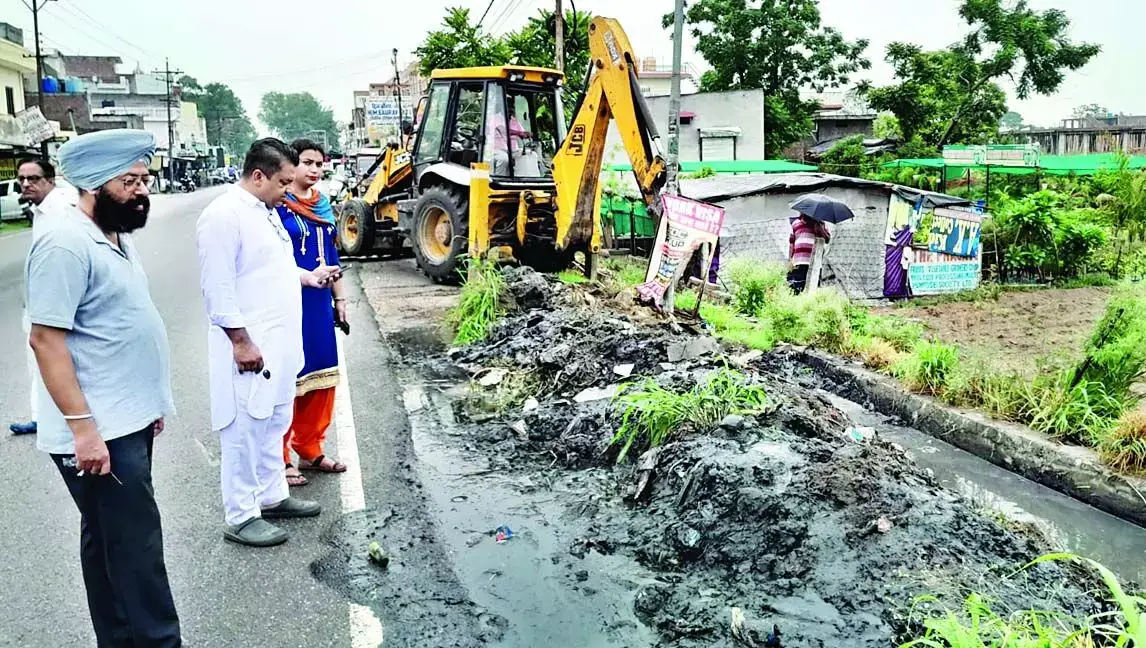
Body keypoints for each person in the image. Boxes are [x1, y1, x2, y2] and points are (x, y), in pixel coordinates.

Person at [27, 130, 181, 646]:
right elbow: (46, 340)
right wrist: (84, 430)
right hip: (98, 428)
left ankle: (119, 641)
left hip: (125, 418)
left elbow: (118, 327)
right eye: (129, 181)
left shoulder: (115, 233)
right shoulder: (65, 242)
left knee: (109, 540)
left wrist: (151, 403)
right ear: (93, 185)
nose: (142, 191)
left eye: (145, 179)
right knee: (135, 547)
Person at [196, 138, 340, 547]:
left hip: (280, 343)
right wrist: (240, 341)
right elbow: (217, 287)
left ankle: (273, 495)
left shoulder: (266, 210)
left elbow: (270, 265)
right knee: (243, 427)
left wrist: (306, 276)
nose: (287, 190)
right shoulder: (223, 216)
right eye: (282, 182)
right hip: (249, 346)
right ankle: (241, 515)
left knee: (274, 419)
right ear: (258, 176)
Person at [276, 139, 348, 488]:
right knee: (291, 378)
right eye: (307, 162)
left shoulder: (324, 206)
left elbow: (333, 255)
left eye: (320, 163)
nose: (315, 169)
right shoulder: (278, 207)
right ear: (293, 165)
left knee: (322, 377)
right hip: (290, 299)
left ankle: (310, 446)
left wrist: (341, 300)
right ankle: (280, 456)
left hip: (320, 303)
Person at [10, 159, 79, 436]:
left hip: (56, 301)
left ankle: (66, 417)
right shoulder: (42, 210)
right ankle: (42, 416)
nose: (26, 184)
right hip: (41, 300)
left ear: (49, 180)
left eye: (33, 179)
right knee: (37, 360)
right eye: (21, 179)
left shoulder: (62, 209)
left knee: (51, 356)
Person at [788, 212, 831, 294]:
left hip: (815, 263)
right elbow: (791, 242)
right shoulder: (795, 223)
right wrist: (790, 259)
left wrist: (820, 228)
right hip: (799, 262)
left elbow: (827, 239)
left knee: (813, 288)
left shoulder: (820, 223)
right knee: (796, 288)